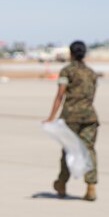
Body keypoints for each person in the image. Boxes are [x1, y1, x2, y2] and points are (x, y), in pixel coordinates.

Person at [45, 40, 100, 201]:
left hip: (71, 118)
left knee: (69, 150)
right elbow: (92, 95)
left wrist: (51, 117)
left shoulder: (67, 71)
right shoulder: (91, 73)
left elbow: (60, 95)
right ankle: (91, 186)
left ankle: (61, 184)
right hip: (90, 116)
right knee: (89, 150)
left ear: (71, 53)